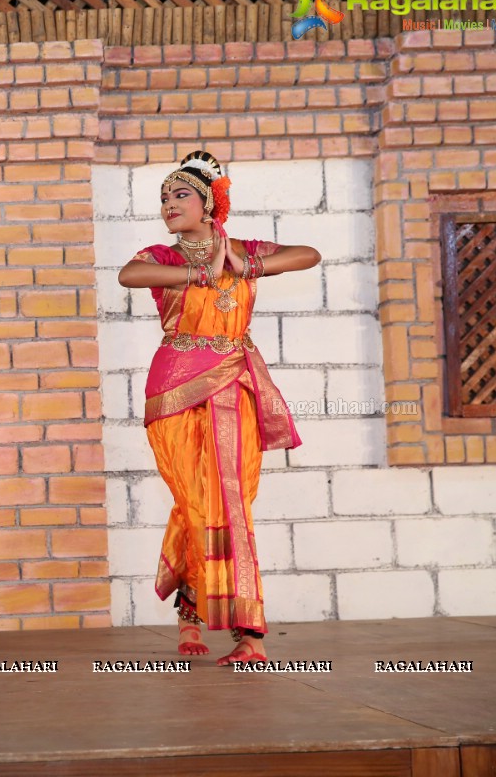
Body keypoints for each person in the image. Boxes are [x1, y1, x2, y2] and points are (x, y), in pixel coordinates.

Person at [118, 151, 320, 665]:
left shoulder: (244, 250)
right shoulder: (160, 258)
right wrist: (196, 275)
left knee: (231, 499)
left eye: (179, 194)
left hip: (234, 380)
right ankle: (197, 615)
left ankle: (244, 633)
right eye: (163, 197)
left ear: (209, 204)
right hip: (173, 388)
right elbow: (127, 275)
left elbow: (309, 254)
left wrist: (245, 266)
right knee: (194, 499)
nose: (168, 204)